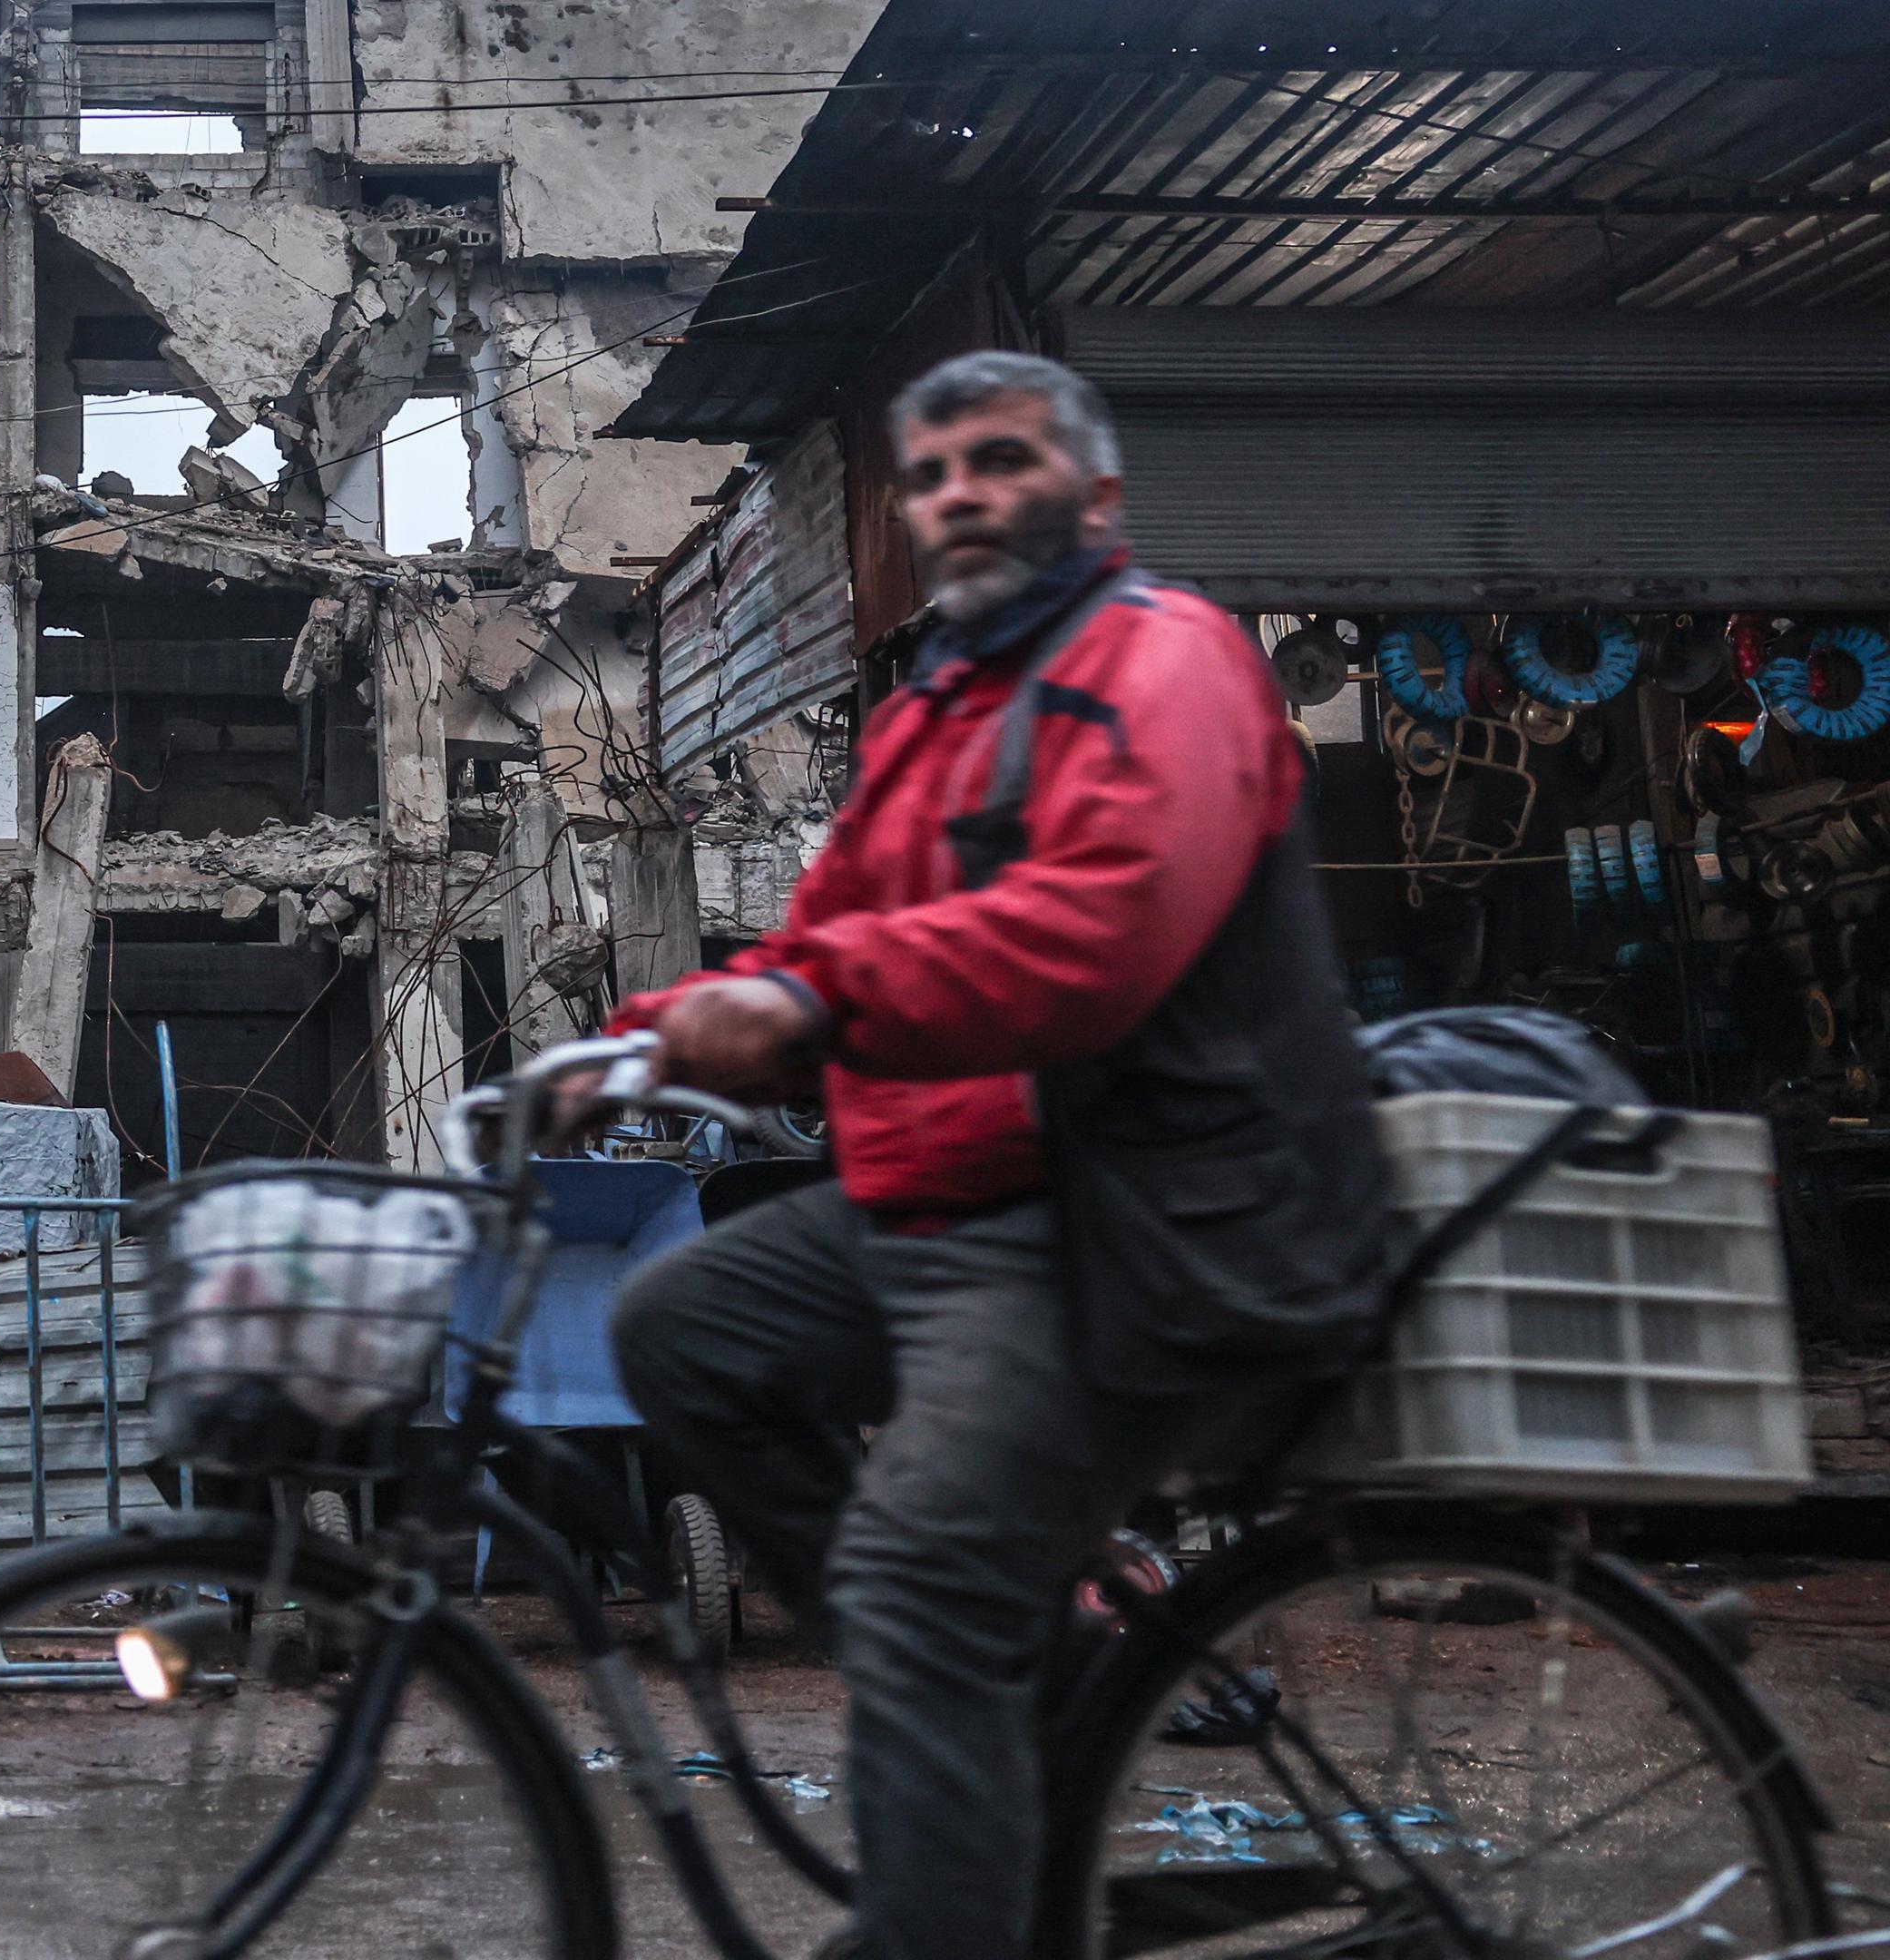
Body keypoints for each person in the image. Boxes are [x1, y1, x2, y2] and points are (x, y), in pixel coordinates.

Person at [600, 350, 1388, 1960]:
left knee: (917, 1590)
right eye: (934, 471)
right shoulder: (939, 708)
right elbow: (820, 940)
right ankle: (1006, 1668)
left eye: (1001, 460)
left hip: (1146, 1221)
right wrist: (640, 1036)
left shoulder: (1163, 663)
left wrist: (806, 1007)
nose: (960, 494)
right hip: (961, 1208)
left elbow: (1089, 945)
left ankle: (949, 1866)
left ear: (1093, 494)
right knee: (679, 1333)